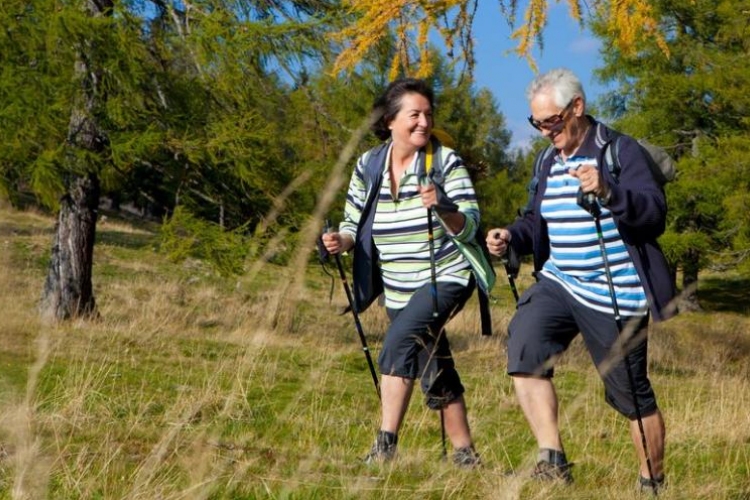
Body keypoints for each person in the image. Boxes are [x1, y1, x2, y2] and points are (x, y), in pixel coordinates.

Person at [486, 68, 675, 492]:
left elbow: (654, 213)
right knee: (525, 348)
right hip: (559, 282)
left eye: (551, 121)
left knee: (630, 393)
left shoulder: (619, 151)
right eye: (536, 123)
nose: (543, 131)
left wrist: (609, 192)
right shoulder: (548, 160)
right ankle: (552, 460)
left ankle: (652, 482)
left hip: (614, 291)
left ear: (577, 107)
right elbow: (536, 220)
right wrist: (510, 236)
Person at [322, 78, 492, 467]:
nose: (423, 122)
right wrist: (340, 241)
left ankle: (385, 446)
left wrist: (443, 207)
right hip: (397, 288)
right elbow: (353, 222)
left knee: (399, 342)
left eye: (428, 115)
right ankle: (465, 454)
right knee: (435, 361)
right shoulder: (369, 164)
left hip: (446, 278)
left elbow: (470, 225)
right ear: (390, 121)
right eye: (414, 114)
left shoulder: (445, 162)